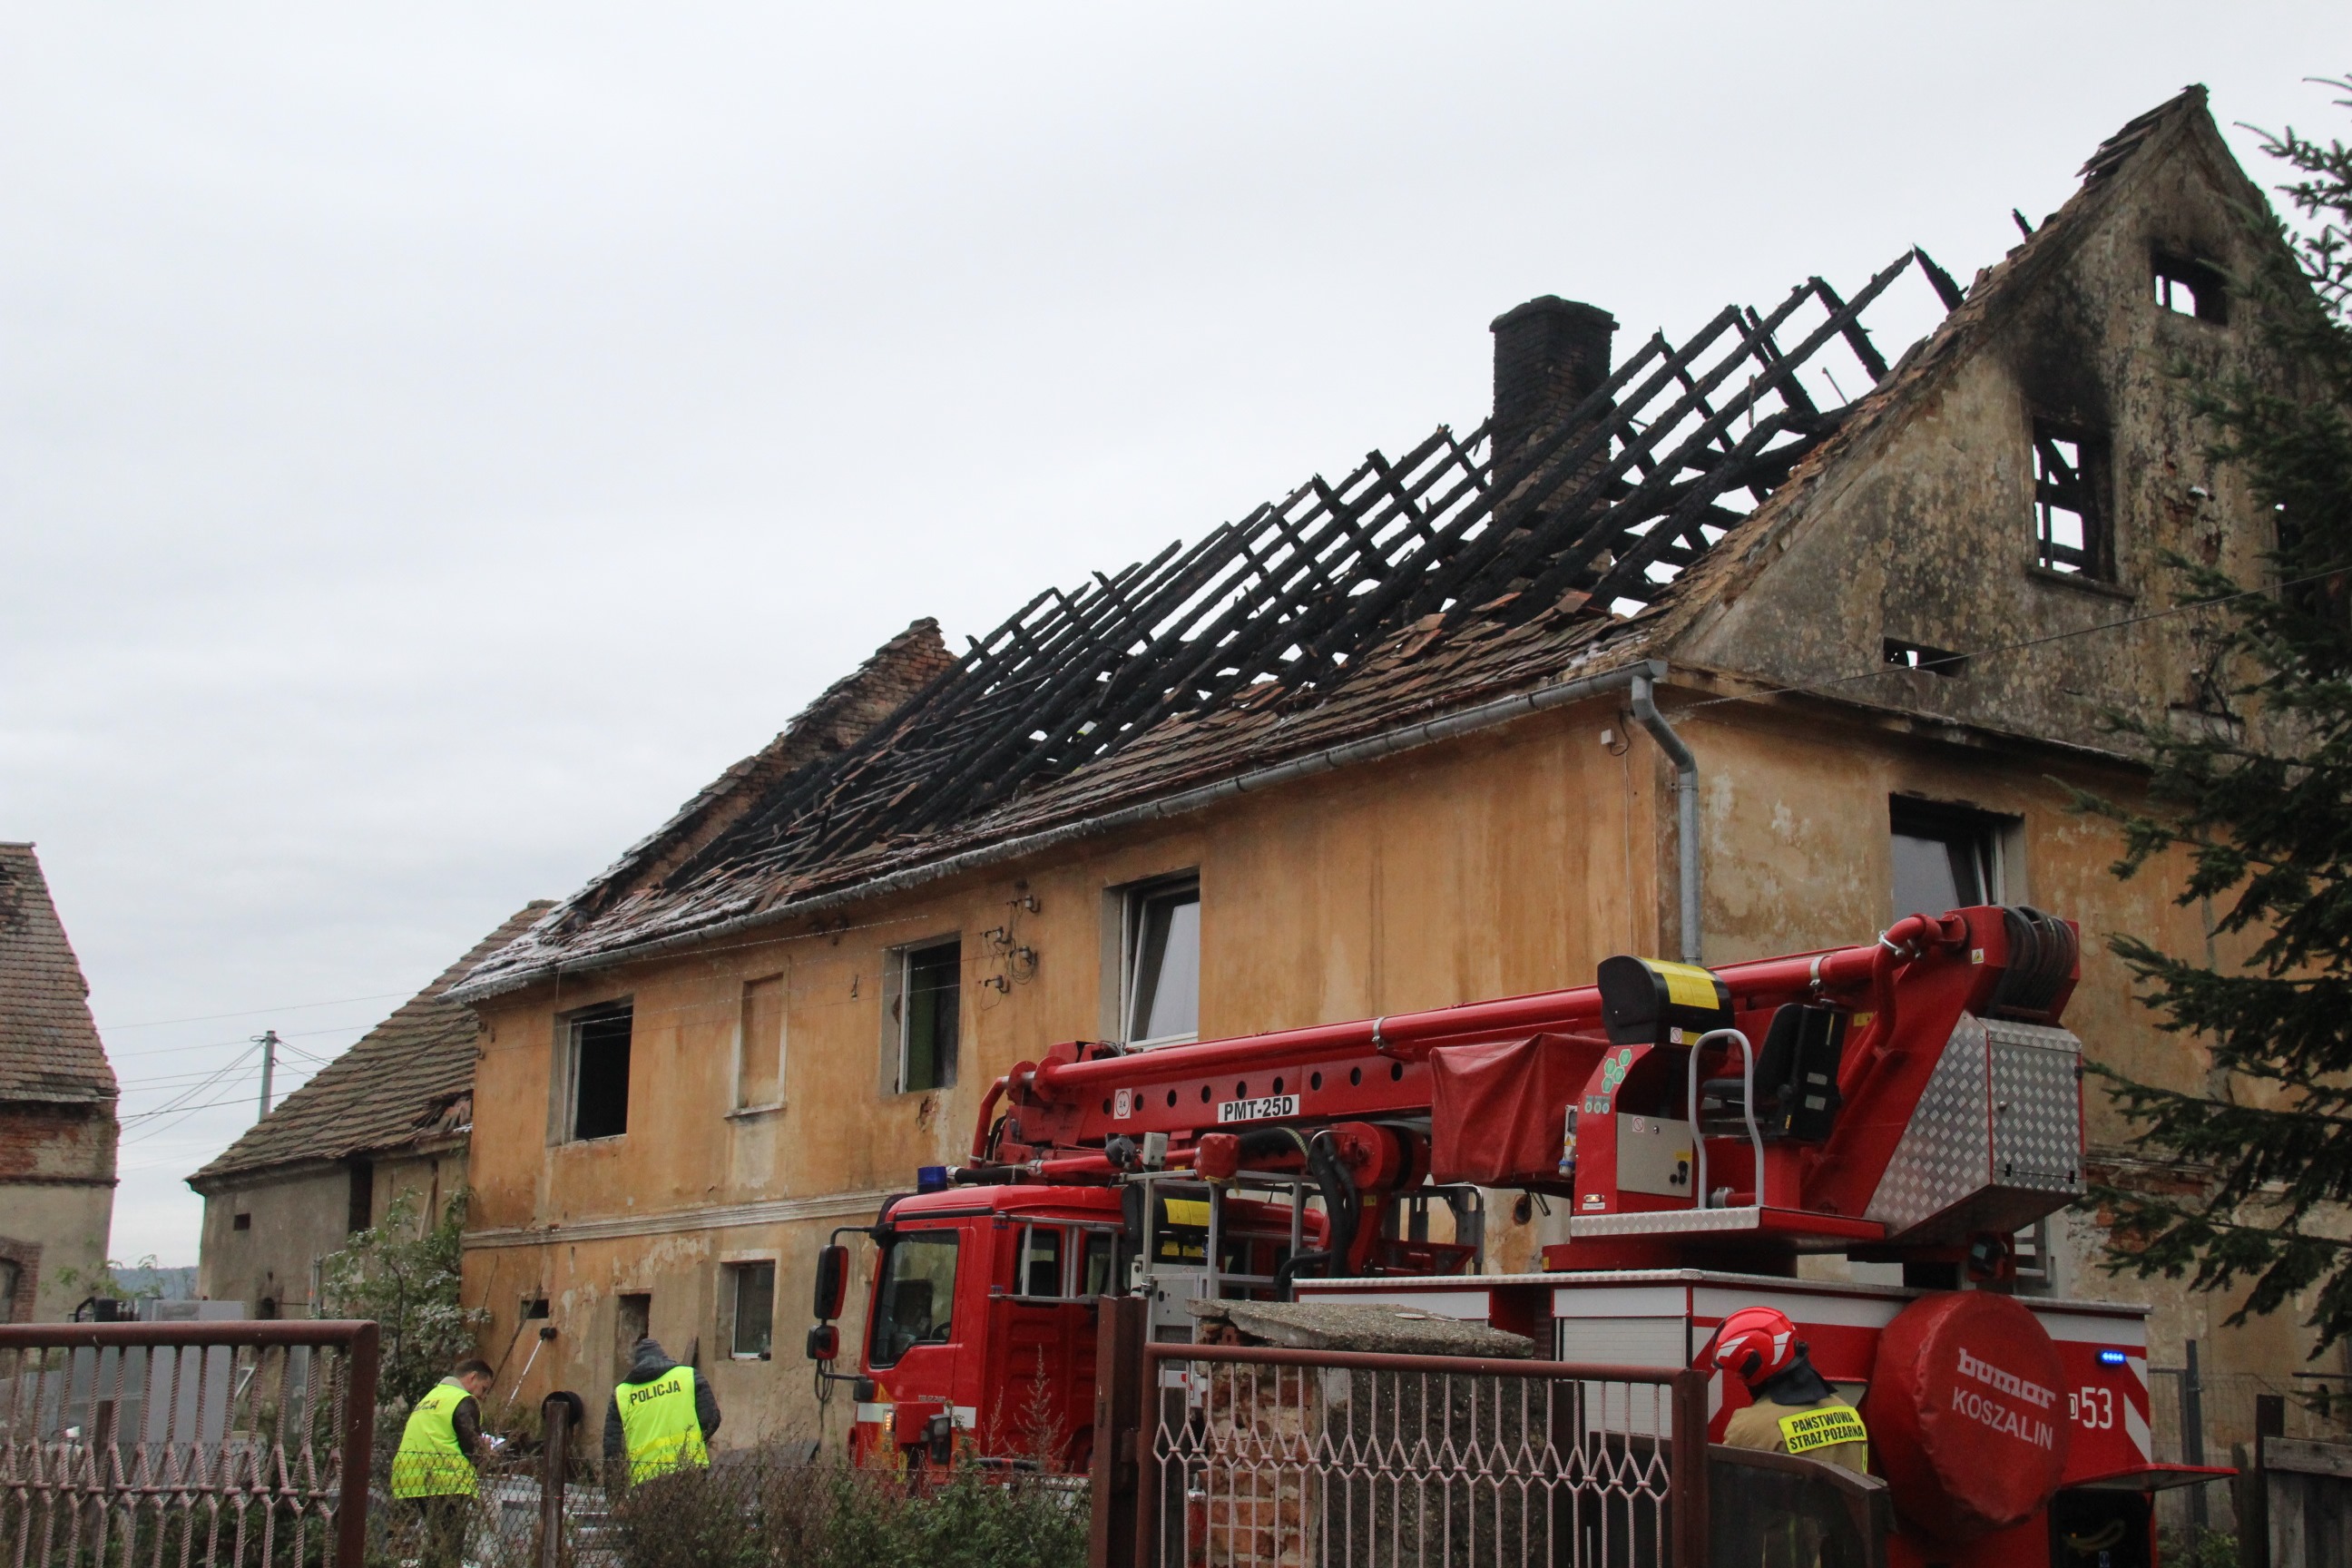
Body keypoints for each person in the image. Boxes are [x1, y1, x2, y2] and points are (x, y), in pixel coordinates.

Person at [1709, 1307, 1869, 1473]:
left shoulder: (1747, 1428)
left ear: (1754, 1364)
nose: (1738, 1377)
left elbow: (1732, 1493)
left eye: (1741, 1371)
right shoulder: (1849, 1414)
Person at [390, 1357, 496, 1568]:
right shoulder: (463, 1400)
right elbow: (471, 1448)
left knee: (435, 1543)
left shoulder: (431, 1397)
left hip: (410, 1479)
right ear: (473, 1377)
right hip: (446, 1480)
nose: (483, 1397)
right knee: (450, 1547)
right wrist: (486, 1451)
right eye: (484, 1389)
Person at [604, 1337, 721, 1485]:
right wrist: (694, 1443)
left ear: (636, 1364)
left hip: (646, 1480)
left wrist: (613, 1492)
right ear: (663, 1356)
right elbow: (711, 1418)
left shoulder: (622, 1394)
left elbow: (612, 1447)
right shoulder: (688, 1376)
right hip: (690, 1471)